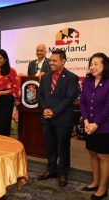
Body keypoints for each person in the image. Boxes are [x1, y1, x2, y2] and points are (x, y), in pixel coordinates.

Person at [37, 49, 79, 187]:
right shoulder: (45, 77)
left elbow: (69, 99)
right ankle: (51, 169)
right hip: (46, 118)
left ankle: (63, 173)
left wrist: (54, 112)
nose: (51, 63)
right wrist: (45, 110)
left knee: (64, 147)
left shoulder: (72, 78)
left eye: (55, 60)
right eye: (50, 60)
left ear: (63, 61)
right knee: (50, 146)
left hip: (62, 119)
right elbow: (40, 96)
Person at [80, 53, 109, 200]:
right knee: (92, 153)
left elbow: (107, 108)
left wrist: (96, 124)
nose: (93, 67)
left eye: (96, 64)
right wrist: (86, 122)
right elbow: (83, 103)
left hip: (104, 126)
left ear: (105, 65)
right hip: (89, 125)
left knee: (103, 156)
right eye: (91, 64)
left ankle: (103, 188)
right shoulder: (87, 80)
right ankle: (95, 182)